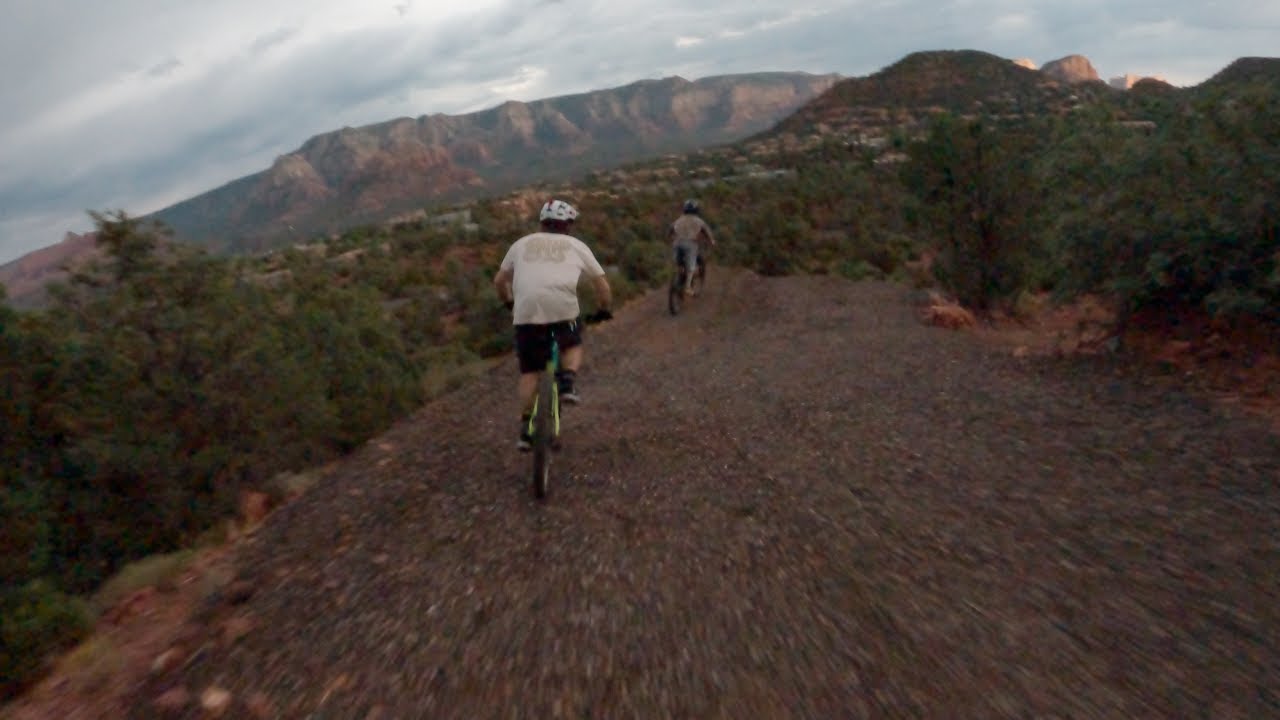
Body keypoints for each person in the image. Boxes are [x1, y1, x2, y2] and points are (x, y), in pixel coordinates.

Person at [493, 199, 612, 451]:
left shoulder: (520, 244)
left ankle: (526, 429)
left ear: (541, 223)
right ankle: (567, 382)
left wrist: (508, 303)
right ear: (568, 225)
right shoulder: (576, 245)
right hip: (562, 310)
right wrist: (603, 310)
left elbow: (499, 281)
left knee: (529, 374)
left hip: (526, 313)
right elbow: (602, 285)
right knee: (573, 343)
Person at [668, 199, 715, 294]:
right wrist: (712, 241)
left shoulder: (679, 219)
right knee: (691, 268)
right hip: (690, 244)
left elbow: (670, 229)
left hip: (677, 243)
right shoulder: (698, 220)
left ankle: (679, 276)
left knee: (679, 263)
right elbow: (707, 231)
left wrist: (670, 238)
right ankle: (688, 287)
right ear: (696, 210)